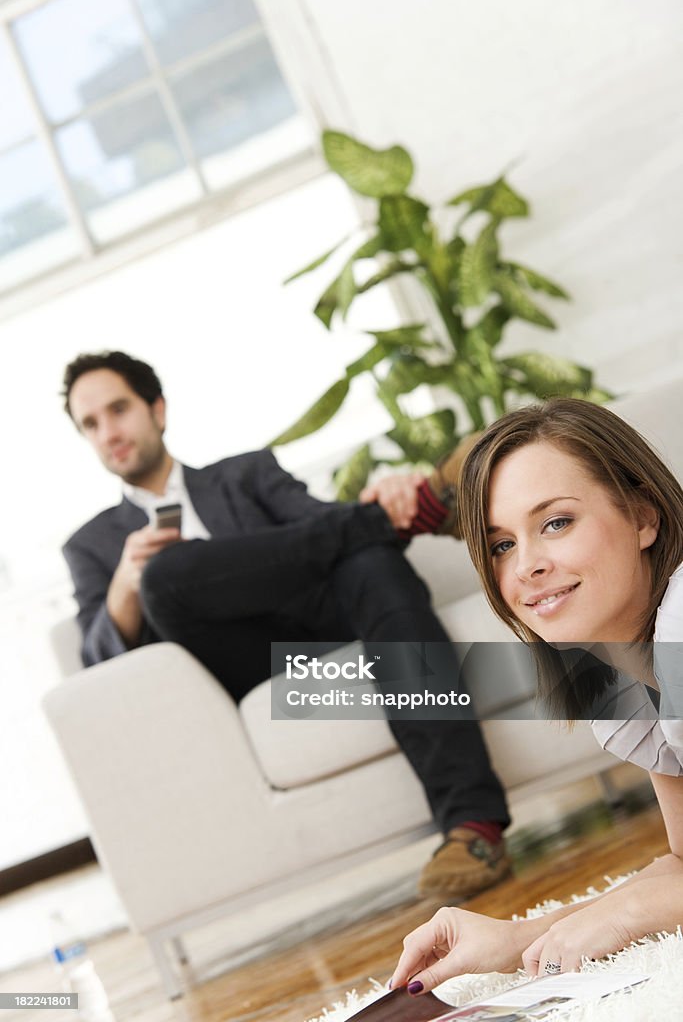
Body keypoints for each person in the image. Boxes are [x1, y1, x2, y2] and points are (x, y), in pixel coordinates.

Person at [60, 350, 511, 899]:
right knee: (165, 576)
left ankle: (474, 827)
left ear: (157, 410)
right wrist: (124, 586)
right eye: (91, 423)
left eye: (119, 409)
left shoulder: (247, 473)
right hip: (248, 668)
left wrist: (372, 504)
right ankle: (412, 512)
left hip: (326, 628)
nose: (109, 432)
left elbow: (322, 527)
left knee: (371, 561)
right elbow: (98, 671)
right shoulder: (92, 546)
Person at [389, 396, 683, 992]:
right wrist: (519, 938)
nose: (526, 566)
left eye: (555, 522)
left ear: (643, 517)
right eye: (502, 545)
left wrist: (624, 914)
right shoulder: (623, 685)